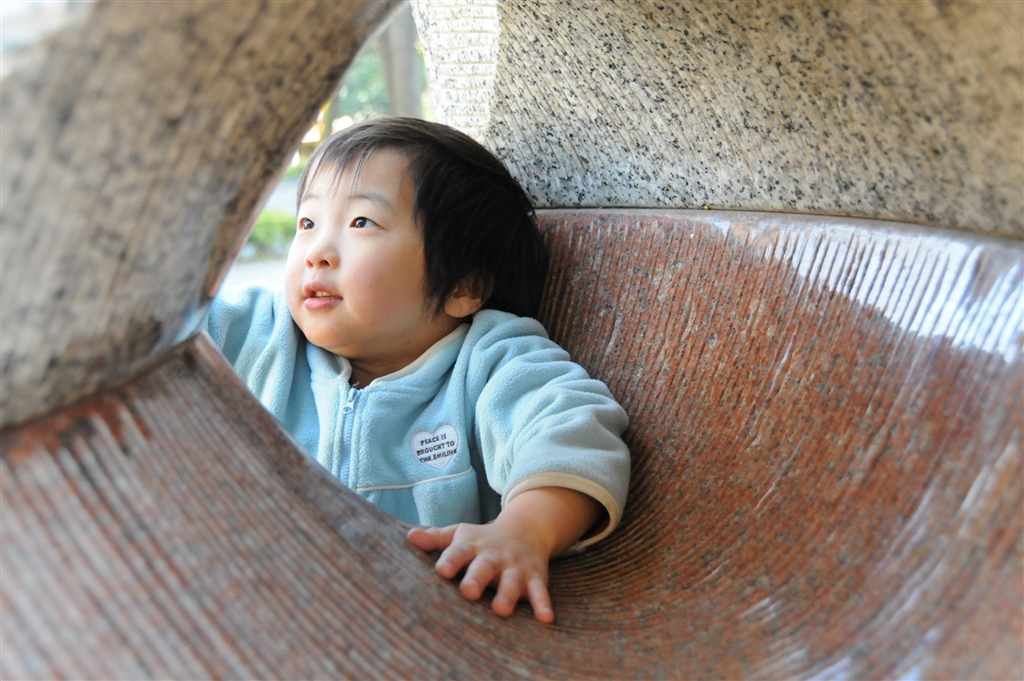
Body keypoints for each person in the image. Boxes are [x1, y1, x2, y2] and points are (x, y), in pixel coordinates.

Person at [205, 117, 630, 623]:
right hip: (251, 610)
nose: (316, 253)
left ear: (463, 286)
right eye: (308, 223)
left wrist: (524, 531)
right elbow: (153, 322)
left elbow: (571, 428)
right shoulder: (259, 332)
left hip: (421, 627)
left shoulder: (490, 362)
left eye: (361, 223)